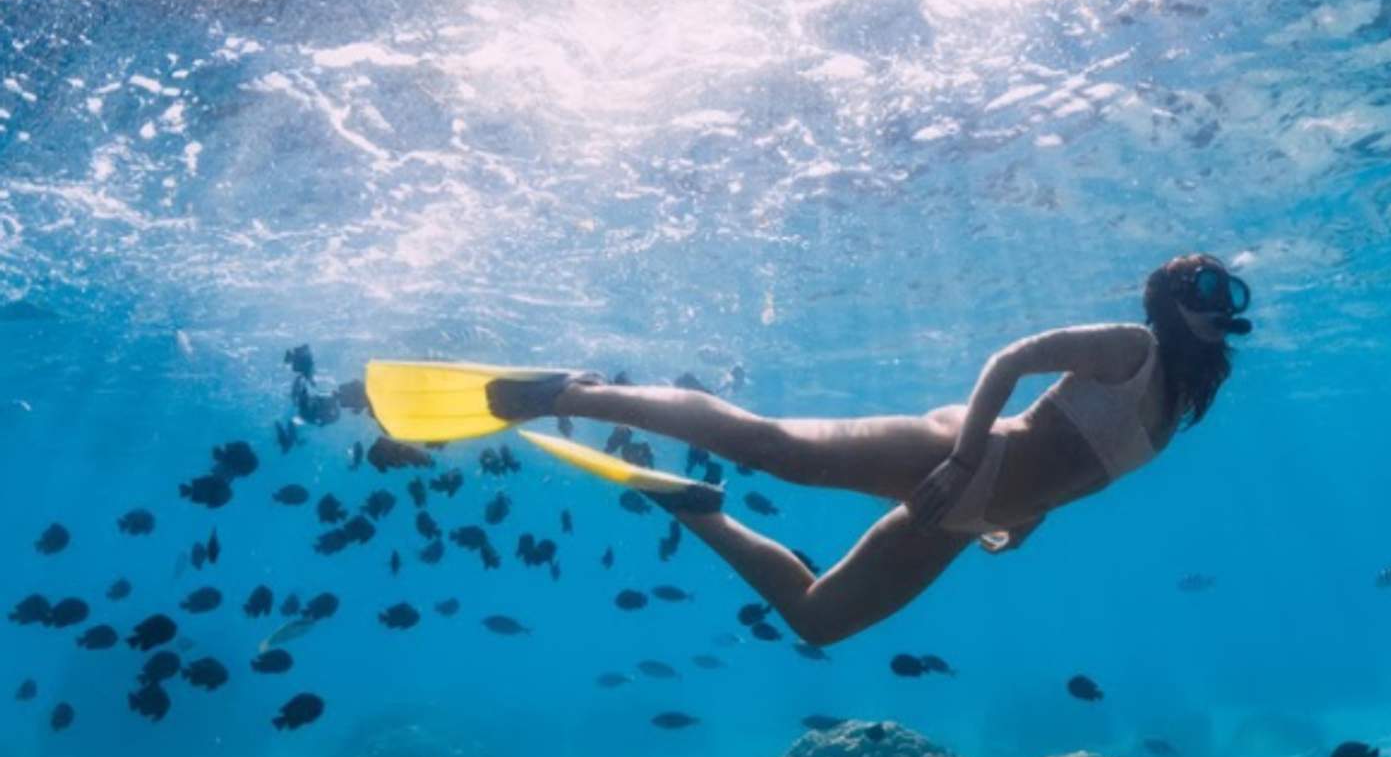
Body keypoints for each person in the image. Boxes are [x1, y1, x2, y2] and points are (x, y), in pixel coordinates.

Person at [367, 252, 1248, 645]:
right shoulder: (1131, 348)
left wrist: (1030, 517)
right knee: (773, 445)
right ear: (1169, 301)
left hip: (969, 512)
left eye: (1227, 287)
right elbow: (1012, 362)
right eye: (1206, 284)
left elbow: (1078, 458)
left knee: (820, 620)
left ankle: (693, 506)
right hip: (959, 458)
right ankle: (573, 391)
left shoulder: (1177, 404)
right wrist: (965, 455)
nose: (1222, 297)